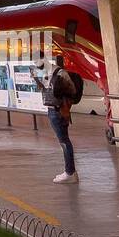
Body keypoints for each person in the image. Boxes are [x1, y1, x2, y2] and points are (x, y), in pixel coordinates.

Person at [34, 52, 81, 184]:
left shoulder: (60, 73)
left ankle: (70, 172)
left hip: (59, 111)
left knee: (64, 141)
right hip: (51, 110)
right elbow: (45, 90)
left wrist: (61, 95)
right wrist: (37, 80)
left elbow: (72, 91)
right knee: (63, 141)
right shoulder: (44, 73)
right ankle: (70, 171)